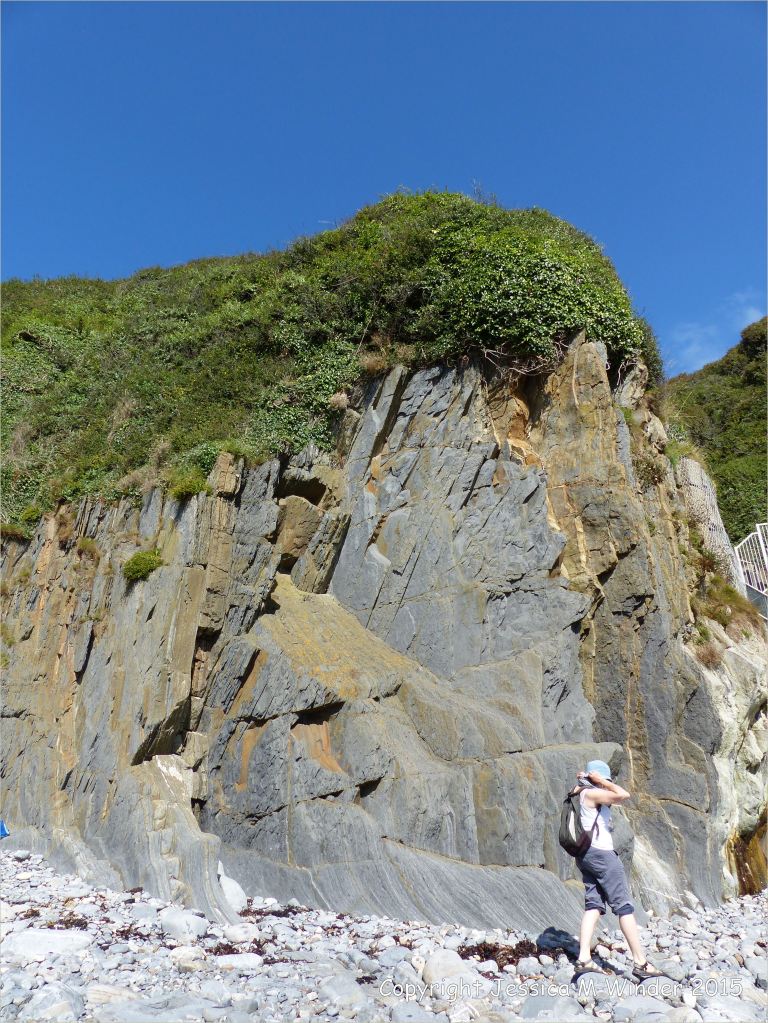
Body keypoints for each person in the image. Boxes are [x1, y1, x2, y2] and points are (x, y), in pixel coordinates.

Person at [571, 759, 664, 980]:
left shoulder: (578, 792)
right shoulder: (593, 793)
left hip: (585, 855)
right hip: (602, 855)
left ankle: (584, 957)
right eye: (603, 780)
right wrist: (601, 781)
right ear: (597, 779)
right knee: (624, 907)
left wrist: (586, 779)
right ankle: (640, 962)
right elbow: (623, 794)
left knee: (594, 905)